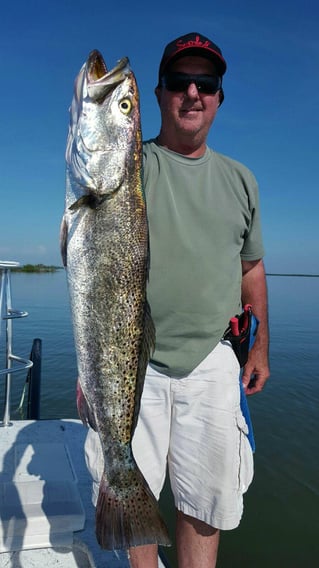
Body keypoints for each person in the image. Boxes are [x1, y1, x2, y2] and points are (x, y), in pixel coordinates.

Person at [86, 32, 270, 568]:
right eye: (179, 81)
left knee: (205, 505)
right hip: (128, 365)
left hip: (211, 360)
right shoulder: (128, 167)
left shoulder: (242, 181)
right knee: (126, 490)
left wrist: (258, 350)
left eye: (205, 83)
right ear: (163, 92)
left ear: (218, 97)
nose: (193, 92)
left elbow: (252, 269)